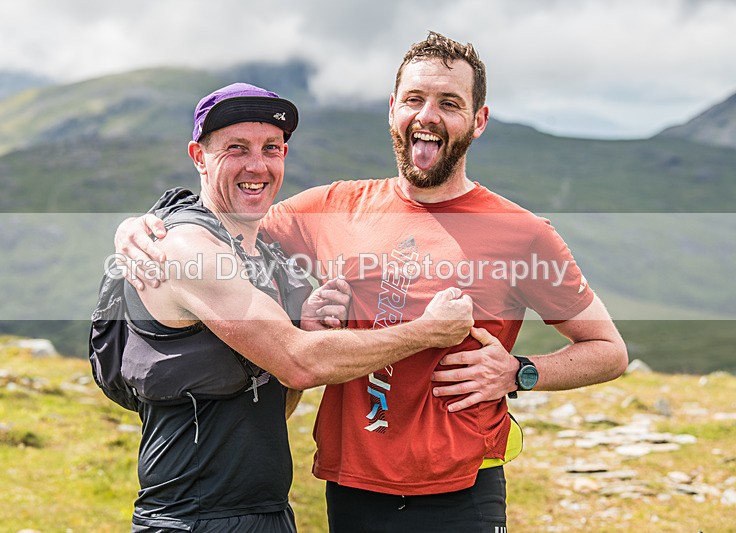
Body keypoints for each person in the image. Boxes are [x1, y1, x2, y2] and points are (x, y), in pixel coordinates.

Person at [117, 33, 628, 532]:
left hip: (462, 490)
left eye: (449, 103)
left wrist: (520, 372)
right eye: (414, 99)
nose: (427, 116)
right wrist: (147, 225)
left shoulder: (523, 234)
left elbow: (607, 349)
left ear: (478, 121)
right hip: (353, 487)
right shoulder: (333, 206)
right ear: (392, 111)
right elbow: (224, 221)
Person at [116, 81, 475, 532]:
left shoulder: (260, 255)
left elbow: (271, 406)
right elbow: (298, 363)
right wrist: (428, 331)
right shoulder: (188, 249)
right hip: (190, 520)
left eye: (272, 148)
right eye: (236, 148)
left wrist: (305, 326)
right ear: (198, 157)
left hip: (266, 514)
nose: (257, 165)